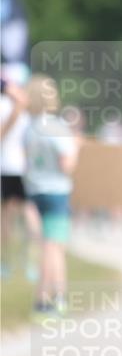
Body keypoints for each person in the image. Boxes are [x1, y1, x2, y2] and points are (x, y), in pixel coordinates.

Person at [22, 74, 79, 318]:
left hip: (36, 191)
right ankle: (55, 297)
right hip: (57, 192)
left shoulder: (29, 127)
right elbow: (66, 164)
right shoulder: (56, 127)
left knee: (47, 244)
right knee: (54, 248)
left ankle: (44, 298)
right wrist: (76, 148)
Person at [0, 67, 41, 279]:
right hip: (13, 166)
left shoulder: (16, 107)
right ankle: (19, 262)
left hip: (14, 167)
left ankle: (21, 262)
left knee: (15, 214)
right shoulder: (24, 107)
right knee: (20, 214)